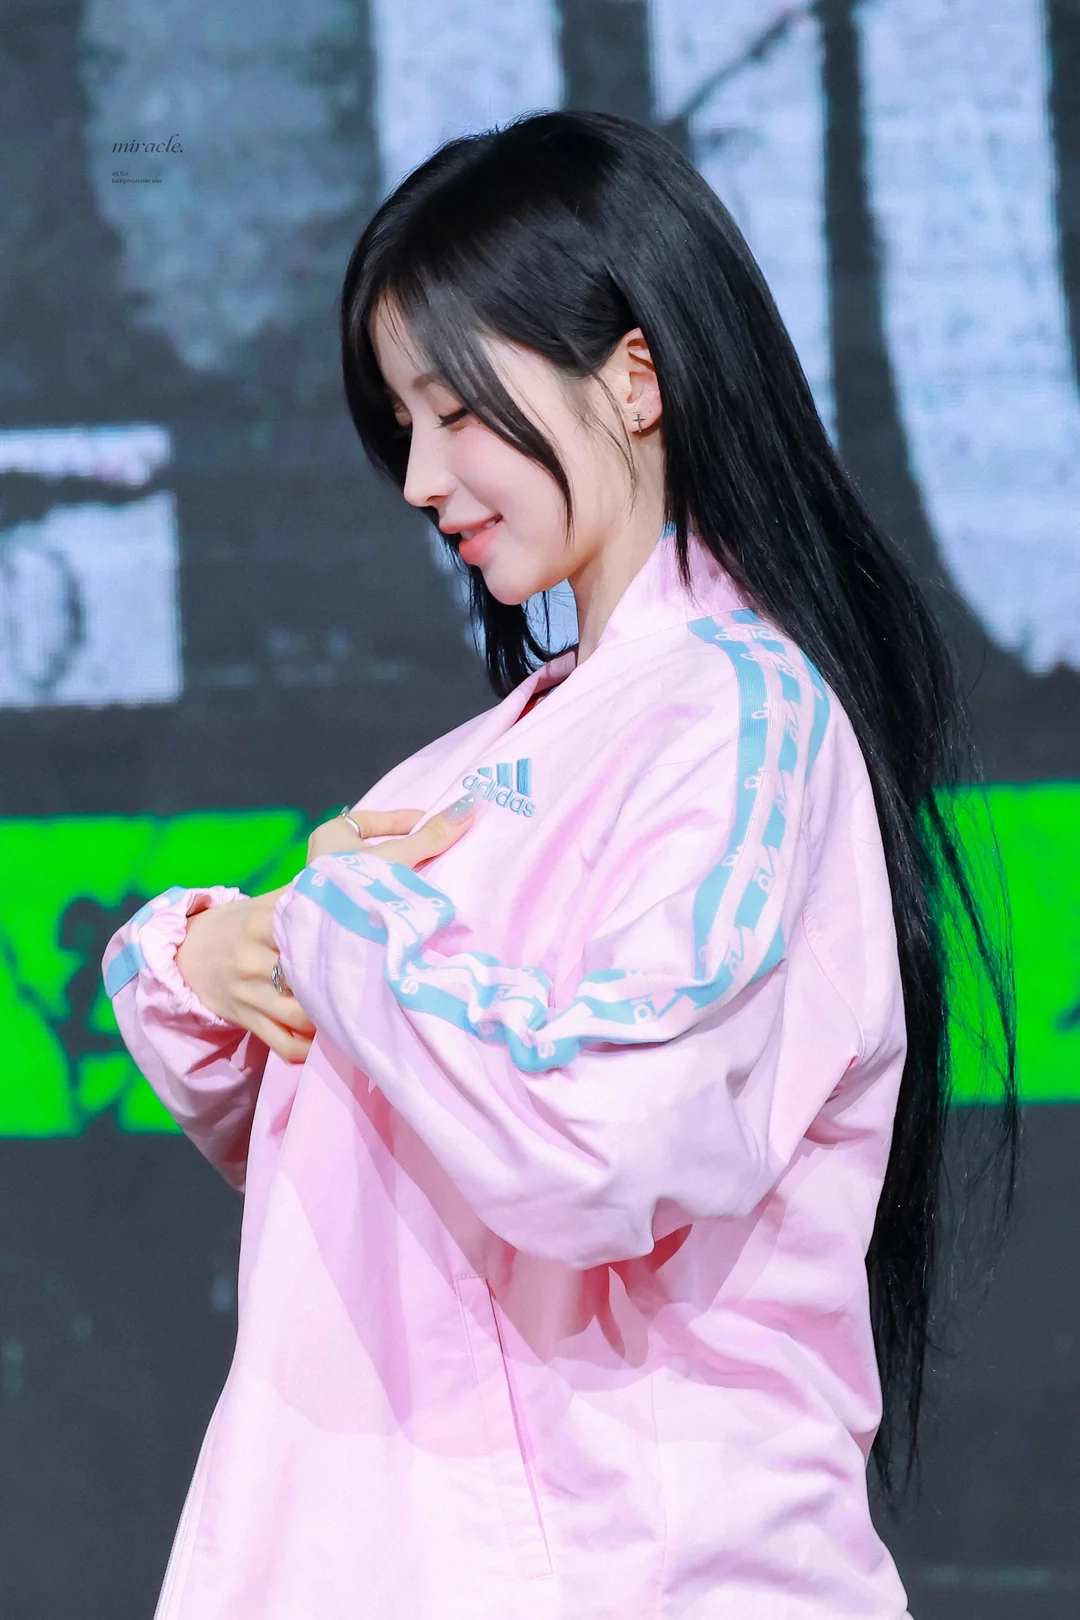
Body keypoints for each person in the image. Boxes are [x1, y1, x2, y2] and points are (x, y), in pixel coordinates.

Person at [102, 110, 1018, 1619]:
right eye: (402, 424)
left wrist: (340, 925)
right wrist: (207, 955)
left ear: (634, 377)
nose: (420, 476)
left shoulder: (743, 717)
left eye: (457, 410)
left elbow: (604, 1134)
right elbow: (296, 1111)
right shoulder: (463, 773)